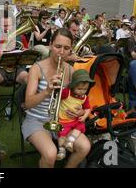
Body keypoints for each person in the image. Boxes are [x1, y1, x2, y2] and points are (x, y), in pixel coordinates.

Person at [22, 28, 90, 168]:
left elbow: (77, 97)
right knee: (50, 154)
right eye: (58, 46)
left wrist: (81, 112)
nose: (61, 52)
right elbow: (28, 103)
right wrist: (47, 91)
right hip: (37, 120)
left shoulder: (71, 70)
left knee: (84, 147)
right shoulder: (37, 68)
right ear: (50, 45)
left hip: (63, 121)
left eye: (66, 48)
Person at [56, 69, 93, 161]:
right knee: (62, 134)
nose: (82, 91)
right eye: (79, 89)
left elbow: (88, 108)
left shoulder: (84, 98)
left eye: (85, 89)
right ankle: (61, 151)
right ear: (73, 86)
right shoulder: (67, 93)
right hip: (63, 121)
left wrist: (84, 116)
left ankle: (71, 141)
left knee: (80, 126)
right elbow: (58, 93)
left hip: (75, 121)